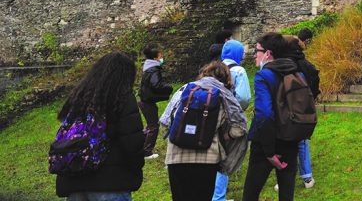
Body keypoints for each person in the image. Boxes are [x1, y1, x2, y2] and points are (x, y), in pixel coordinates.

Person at [54, 51, 145, 201]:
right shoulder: (122, 97)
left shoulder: (80, 96)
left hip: (75, 181)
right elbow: (132, 142)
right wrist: (135, 167)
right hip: (110, 183)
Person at [160, 61, 248, 201]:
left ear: (204, 73)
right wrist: (225, 137)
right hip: (207, 159)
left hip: (177, 157)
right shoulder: (224, 96)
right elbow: (240, 127)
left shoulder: (184, 89)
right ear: (227, 78)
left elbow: (165, 121)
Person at [242, 33, 307, 201]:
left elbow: (264, 115)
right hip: (290, 139)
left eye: (257, 51)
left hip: (265, 143)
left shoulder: (264, 76)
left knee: (250, 194)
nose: (255, 55)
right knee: (287, 195)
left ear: (268, 53)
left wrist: (269, 152)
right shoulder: (298, 75)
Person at [212, 40, 252, 201]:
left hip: (212, 115)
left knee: (212, 153)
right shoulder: (239, 70)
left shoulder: (214, 68)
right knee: (225, 156)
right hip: (229, 118)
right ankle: (218, 197)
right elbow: (243, 97)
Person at [281, 31, 319, 190]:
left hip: (286, 107)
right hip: (303, 107)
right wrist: (311, 99)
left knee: (285, 141)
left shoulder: (283, 65)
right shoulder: (305, 64)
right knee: (302, 141)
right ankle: (307, 177)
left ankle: (284, 177)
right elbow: (315, 81)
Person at [137, 45, 173, 160]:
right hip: (147, 102)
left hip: (145, 101)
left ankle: (138, 146)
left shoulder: (148, 68)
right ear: (156, 58)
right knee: (153, 126)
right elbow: (156, 84)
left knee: (149, 125)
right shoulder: (153, 70)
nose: (162, 58)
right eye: (160, 56)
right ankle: (147, 152)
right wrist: (168, 87)